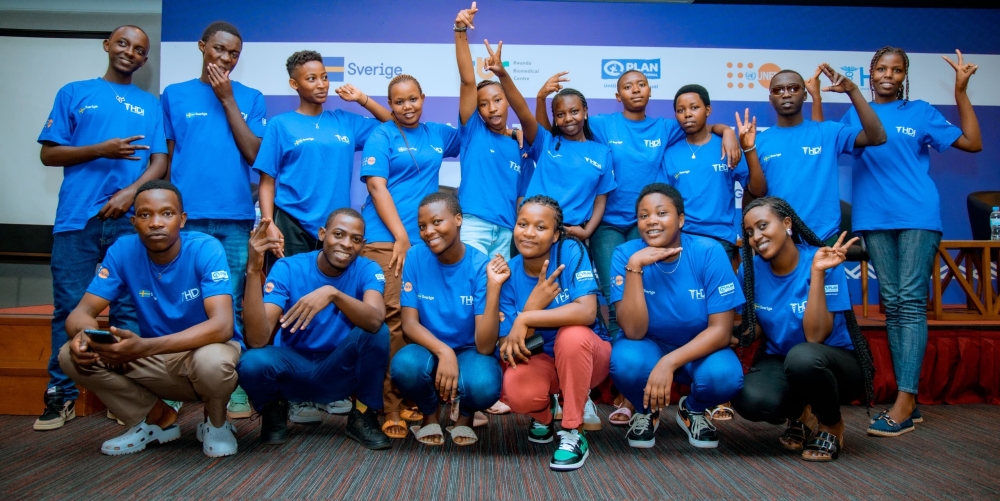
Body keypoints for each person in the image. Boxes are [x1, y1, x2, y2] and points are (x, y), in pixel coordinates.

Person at [536, 71, 742, 338]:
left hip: (644, 224)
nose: (635, 90)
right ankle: (616, 346)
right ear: (617, 95)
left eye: (641, 84)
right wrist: (540, 101)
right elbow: (552, 133)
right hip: (607, 223)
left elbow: (698, 124)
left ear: (650, 91)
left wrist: (726, 131)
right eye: (628, 86)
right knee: (614, 288)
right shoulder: (602, 124)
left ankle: (644, 342)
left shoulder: (665, 127)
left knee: (643, 285)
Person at [840, 47, 980, 436]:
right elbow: (825, 141)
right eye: (882, 68)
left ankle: (904, 399)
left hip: (917, 214)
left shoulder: (918, 111)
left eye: (896, 70)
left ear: (904, 76)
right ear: (870, 73)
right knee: (895, 302)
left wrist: (961, 93)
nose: (888, 75)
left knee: (910, 300)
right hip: (873, 218)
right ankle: (909, 401)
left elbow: (972, 143)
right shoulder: (856, 113)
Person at [36, 25, 167, 431]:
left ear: (145, 60)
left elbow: (159, 164)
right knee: (71, 308)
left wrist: (130, 193)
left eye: (139, 49)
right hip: (77, 219)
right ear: (108, 46)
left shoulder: (151, 104)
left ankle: (121, 393)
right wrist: (101, 149)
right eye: (123, 43)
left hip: (129, 221)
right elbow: (49, 154)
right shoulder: (74, 92)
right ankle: (62, 396)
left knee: (128, 310)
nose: (130, 52)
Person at [58, 180, 240, 457]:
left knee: (212, 361)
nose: (156, 223)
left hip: (202, 354)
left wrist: (144, 347)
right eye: (145, 215)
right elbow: (81, 313)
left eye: (166, 214)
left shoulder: (205, 248)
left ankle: (216, 423)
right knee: (70, 355)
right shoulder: (122, 250)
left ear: (182, 220)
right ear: (133, 222)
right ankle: (156, 419)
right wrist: (84, 335)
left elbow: (222, 326)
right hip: (155, 357)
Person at [161, 21, 266, 419]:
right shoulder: (174, 95)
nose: (225, 58)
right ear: (202, 45)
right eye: (219, 49)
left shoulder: (251, 98)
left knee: (234, 303)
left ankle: (232, 384)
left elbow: (255, 153)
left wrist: (227, 99)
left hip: (235, 218)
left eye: (233, 53)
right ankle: (172, 385)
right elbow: (166, 161)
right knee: (183, 303)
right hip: (184, 220)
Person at [731, 197, 876, 461]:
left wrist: (818, 273)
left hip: (833, 363)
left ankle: (831, 424)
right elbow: (762, 325)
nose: (756, 236)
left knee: (804, 357)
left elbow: (815, 336)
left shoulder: (823, 261)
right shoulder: (751, 271)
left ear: (787, 223)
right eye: (750, 232)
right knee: (748, 398)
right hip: (783, 359)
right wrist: (726, 335)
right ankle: (802, 416)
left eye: (763, 226)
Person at [237, 209, 392, 449]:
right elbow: (257, 340)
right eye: (338, 234)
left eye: (356, 239)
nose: (346, 244)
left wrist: (333, 294)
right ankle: (274, 409)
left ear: (363, 244)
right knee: (251, 361)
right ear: (322, 234)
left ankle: (362, 415)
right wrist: (253, 270)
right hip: (292, 370)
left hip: (338, 371)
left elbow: (374, 320)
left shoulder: (368, 269)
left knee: (376, 333)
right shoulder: (288, 267)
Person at [360, 74, 461, 439]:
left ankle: (413, 395)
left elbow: (473, 117)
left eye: (413, 99)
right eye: (399, 102)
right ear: (391, 105)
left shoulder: (439, 134)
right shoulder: (382, 135)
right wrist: (401, 236)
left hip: (424, 244)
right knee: (392, 321)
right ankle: (390, 405)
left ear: (423, 98)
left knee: (420, 319)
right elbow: (375, 185)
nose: (407, 107)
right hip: (385, 241)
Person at [609, 183, 744, 450]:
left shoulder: (709, 251)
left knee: (726, 376)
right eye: (644, 216)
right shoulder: (626, 254)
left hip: (700, 346)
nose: (652, 222)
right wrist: (635, 268)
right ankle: (645, 411)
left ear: (681, 219)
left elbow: (721, 331)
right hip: (649, 344)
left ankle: (692, 410)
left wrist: (668, 363)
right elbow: (634, 332)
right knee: (626, 362)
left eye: (661, 213)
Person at [499, 195, 611, 471]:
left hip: (586, 357)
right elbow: (509, 344)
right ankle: (544, 415)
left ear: (556, 235)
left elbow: (585, 312)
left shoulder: (570, 253)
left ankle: (574, 430)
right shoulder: (507, 274)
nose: (528, 233)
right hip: (540, 360)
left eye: (540, 227)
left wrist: (526, 316)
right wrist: (533, 305)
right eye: (522, 224)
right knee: (518, 392)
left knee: (572, 335)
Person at [256, 50, 390, 264]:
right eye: (311, 79)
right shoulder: (280, 125)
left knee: (333, 294)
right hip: (292, 224)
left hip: (336, 228)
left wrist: (363, 99)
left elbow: (392, 126)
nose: (321, 84)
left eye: (324, 77)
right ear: (294, 83)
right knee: (290, 292)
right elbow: (266, 182)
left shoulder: (345, 121)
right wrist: (269, 223)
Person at [390, 193, 504, 446]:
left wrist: (494, 288)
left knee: (484, 384)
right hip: (429, 346)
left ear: (459, 219)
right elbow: (408, 324)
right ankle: (429, 414)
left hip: (470, 350)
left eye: (437, 222)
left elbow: (485, 346)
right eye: (422, 226)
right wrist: (444, 352)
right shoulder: (416, 257)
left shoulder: (480, 266)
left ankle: (465, 416)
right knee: (404, 366)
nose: (429, 232)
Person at [479, 43, 615, 242]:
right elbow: (522, 111)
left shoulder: (602, 153)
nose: (568, 118)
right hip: (531, 232)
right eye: (560, 114)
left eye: (574, 111)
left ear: (585, 112)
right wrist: (503, 75)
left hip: (570, 236)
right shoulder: (546, 143)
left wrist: (587, 232)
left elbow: (601, 200)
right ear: (555, 118)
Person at [748, 65, 886, 243]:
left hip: (824, 240)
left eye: (794, 88)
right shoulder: (759, 142)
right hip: (779, 242)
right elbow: (752, 196)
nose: (786, 94)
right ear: (771, 99)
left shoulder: (828, 132)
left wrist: (853, 91)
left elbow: (877, 137)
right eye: (778, 90)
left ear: (805, 94)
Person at [453, 3, 526, 261]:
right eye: (483, 104)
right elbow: (467, 80)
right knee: (472, 292)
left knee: (496, 298)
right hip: (474, 225)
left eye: (497, 100)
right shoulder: (473, 131)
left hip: (506, 233)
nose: (491, 109)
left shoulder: (521, 145)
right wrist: (460, 30)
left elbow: (521, 197)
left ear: (508, 101)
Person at [664, 85, 766, 262]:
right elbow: (664, 201)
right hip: (682, 239)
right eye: (681, 110)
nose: (687, 114)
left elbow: (758, 190)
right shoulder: (669, 153)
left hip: (721, 239)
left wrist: (747, 148)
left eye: (694, 107)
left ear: (708, 110)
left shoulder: (727, 146)